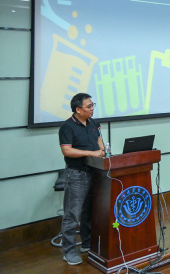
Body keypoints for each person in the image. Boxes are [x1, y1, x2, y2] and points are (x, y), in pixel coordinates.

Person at [58, 93, 105, 266]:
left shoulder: (93, 123)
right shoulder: (67, 126)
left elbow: (99, 141)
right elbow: (67, 150)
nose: (92, 109)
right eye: (89, 106)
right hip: (76, 174)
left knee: (89, 211)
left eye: (93, 105)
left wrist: (102, 151)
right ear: (78, 109)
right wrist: (92, 153)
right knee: (72, 214)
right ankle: (69, 251)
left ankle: (87, 243)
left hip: (95, 172)